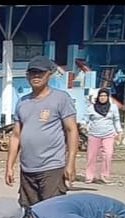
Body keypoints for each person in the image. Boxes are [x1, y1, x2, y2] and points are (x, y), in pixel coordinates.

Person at [5, 55, 79, 207]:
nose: (36, 76)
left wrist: (70, 163)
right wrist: (9, 167)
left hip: (52, 167)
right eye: (33, 72)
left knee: (51, 211)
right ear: (27, 75)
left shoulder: (61, 98)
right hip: (27, 169)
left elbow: (72, 130)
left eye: (40, 72)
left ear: (49, 74)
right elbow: (16, 136)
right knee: (29, 212)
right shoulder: (22, 102)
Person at [84, 88, 123, 184]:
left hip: (108, 135)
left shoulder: (113, 107)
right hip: (94, 134)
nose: (103, 98)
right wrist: (84, 126)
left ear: (108, 97)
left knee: (108, 155)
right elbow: (85, 119)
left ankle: (104, 175)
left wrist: (119, 132)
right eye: (101, 96)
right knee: (92, 156)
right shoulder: (91, 108)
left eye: (105, 96)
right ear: (98, 97)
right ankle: (90, 176)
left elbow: (116, 120)